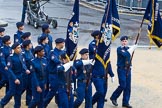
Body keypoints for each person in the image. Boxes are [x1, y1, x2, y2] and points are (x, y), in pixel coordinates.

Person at [110, 36, 137, 108]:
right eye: (123, 41)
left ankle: (125, 102)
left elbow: (129, 55)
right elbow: (126, 54)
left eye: (125, 41)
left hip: (128, 69)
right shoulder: (119, 49)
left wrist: (133, 46)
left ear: (127, 42)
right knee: (122, 85)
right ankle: (113, 97)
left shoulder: (128, 48)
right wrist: (132, 48)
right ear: (121, 42)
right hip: (121, 69)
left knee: (128, 87)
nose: (124, 42)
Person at [0, 42, 30, 108]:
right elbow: (9, 70)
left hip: (20, 75)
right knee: (11, 92)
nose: (20, 49)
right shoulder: (10, 57)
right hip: (13, 76)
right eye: (18, 48)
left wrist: (26, 69)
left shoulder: (21, 55)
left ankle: (17, 106)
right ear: (14, 49)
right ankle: (2, 102)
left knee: (19, 93)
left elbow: (23, 64)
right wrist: (15, 78)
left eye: (20, 47)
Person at [43, 38, 65, 108]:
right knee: (53, 91)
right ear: (59, 44)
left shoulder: (62, 52)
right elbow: (56, 61)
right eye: (63, 43)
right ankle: (43, 105)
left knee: (60, 91)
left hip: (60, 75)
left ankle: (60, 105)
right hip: (53, 75)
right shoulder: (52, 52)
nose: (63, 44)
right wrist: (63, 62)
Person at [21, 40, 34, 106]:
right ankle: (17, 96)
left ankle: (28, 102)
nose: (31, 45)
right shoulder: (23, 53)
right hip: (25, 74)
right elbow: (23, 63)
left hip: (31, 73)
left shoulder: (30, 52)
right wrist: (26, 70)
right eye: (30, 44)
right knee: (23, 87)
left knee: (30, 88)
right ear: (27, 46)